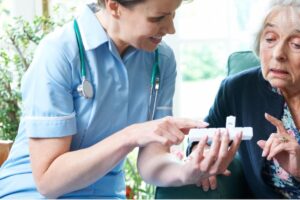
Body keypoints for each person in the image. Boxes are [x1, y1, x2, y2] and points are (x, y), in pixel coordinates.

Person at [0, 0, 242, 198]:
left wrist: (187, 171)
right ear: (114, 6)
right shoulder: (59, 53)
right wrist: (130, 135)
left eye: (173, 14)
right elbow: (48, 181)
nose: (170, 28)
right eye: (158, 18)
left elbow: (151, 162)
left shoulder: (161, 60)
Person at [189, 0, 300, 198]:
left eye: (296, 44)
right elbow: (201, 135)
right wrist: (203, 152)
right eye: (270, 38)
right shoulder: (239, 89)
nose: (278, 54)